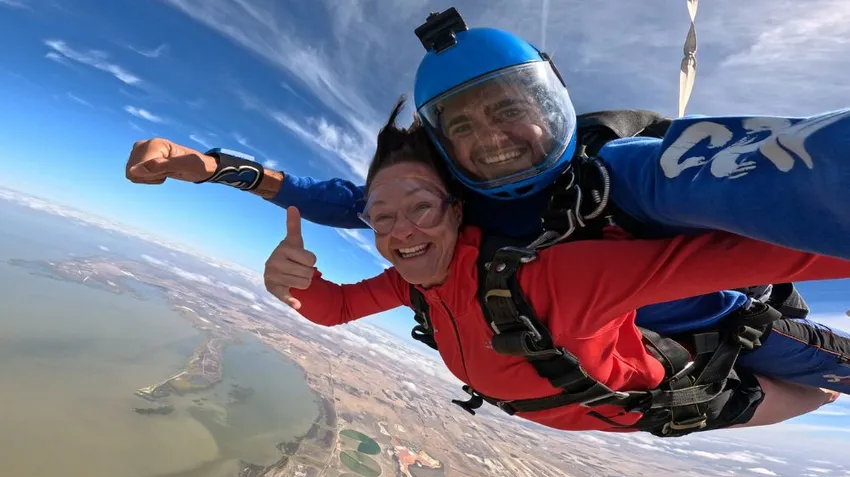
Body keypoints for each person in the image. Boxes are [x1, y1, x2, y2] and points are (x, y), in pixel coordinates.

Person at [123, 8, 850, 391]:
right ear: (443, 147)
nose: (492, 138)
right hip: (642, 357)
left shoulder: (625, 174)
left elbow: (803, 171)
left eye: (511, 107)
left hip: (724, 331)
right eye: (462, 125)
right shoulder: (452, 210)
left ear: (554, 100)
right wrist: (209, 166)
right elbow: (334, 198)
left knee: (828, 377)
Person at [264, 105, 844, 437]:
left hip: (697, 386)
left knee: (831, 382)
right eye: (380, 216)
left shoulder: (558, 278)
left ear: (457, 211)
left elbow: (775, 251)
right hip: (660, 406)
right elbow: (333, 308)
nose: (400, 232)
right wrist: (292, 280)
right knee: (823, 394)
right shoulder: (413, 282)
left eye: (420, 208)